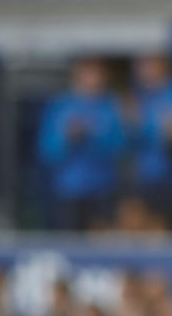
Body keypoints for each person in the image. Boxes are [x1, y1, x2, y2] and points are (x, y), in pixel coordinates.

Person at [37, 58, 124, 230]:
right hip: (68, 192)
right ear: (78, 75)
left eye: (99, 73)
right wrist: (68, 138)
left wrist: (92, 138)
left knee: (101, 247)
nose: (95, 78)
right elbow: (46, 151)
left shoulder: (111, 106)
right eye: (89, 73)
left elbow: (120, 147)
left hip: (102, 191)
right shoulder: (61, 106)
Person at [130, 55, 172, 229]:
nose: (144, 70)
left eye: (148, 64)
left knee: (168, 226)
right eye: (141, 65)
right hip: (143, 177)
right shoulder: (137, 96)